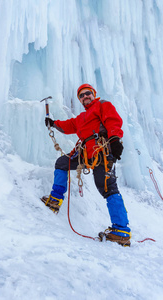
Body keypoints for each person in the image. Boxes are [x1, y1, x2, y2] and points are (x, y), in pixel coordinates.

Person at [42, 84, 131, 246]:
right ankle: (55, 200)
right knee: (62, 163)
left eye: (87, 93)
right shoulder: (81, 118)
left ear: (94, 94)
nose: (85, 97)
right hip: (84, 153)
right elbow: (68, 125)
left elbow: (113, 121)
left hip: (101, 151)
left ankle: (121, 231)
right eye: (81, 96)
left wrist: (115, 139)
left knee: (107, 187)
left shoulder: (103, 105)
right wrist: (53, 123)